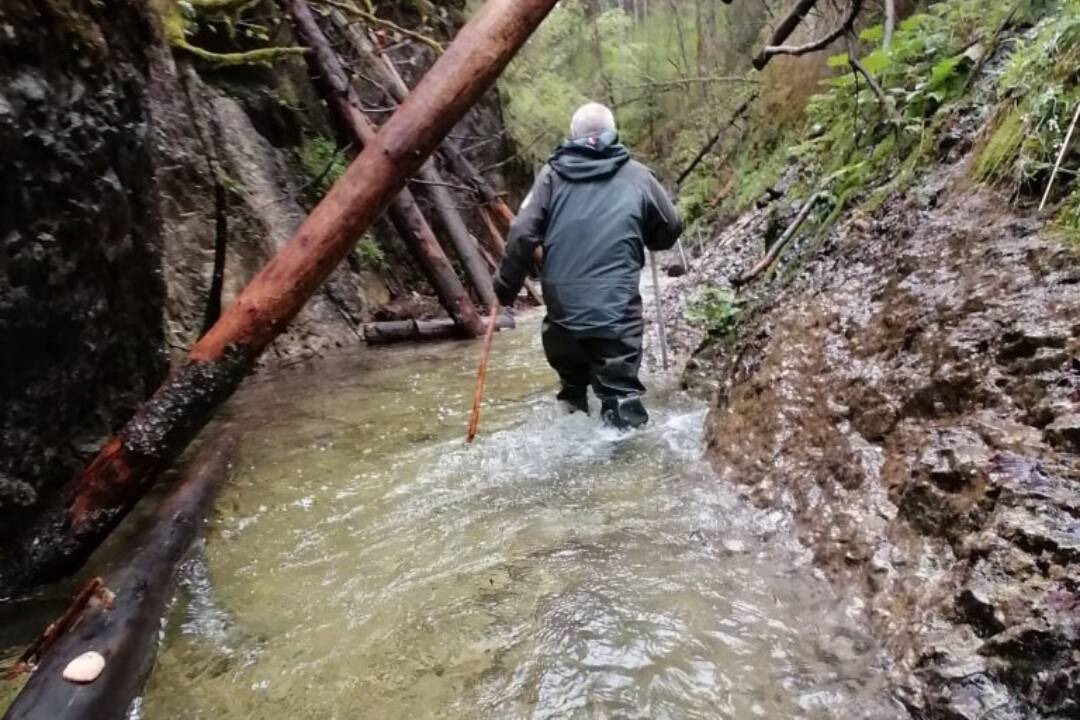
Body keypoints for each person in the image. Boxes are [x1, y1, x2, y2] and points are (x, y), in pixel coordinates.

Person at [493, 102, 683, 429]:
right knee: (620, 396)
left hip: (562, 317)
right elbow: (669, 229)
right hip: (616, 314)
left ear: (572, 135)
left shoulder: (550, 176)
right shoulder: (638, 176)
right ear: (612, 132)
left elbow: (522, 232)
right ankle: (626, 470)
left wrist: (505, 290)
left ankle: (571, 422)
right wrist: (648, 234)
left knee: (572, 393)